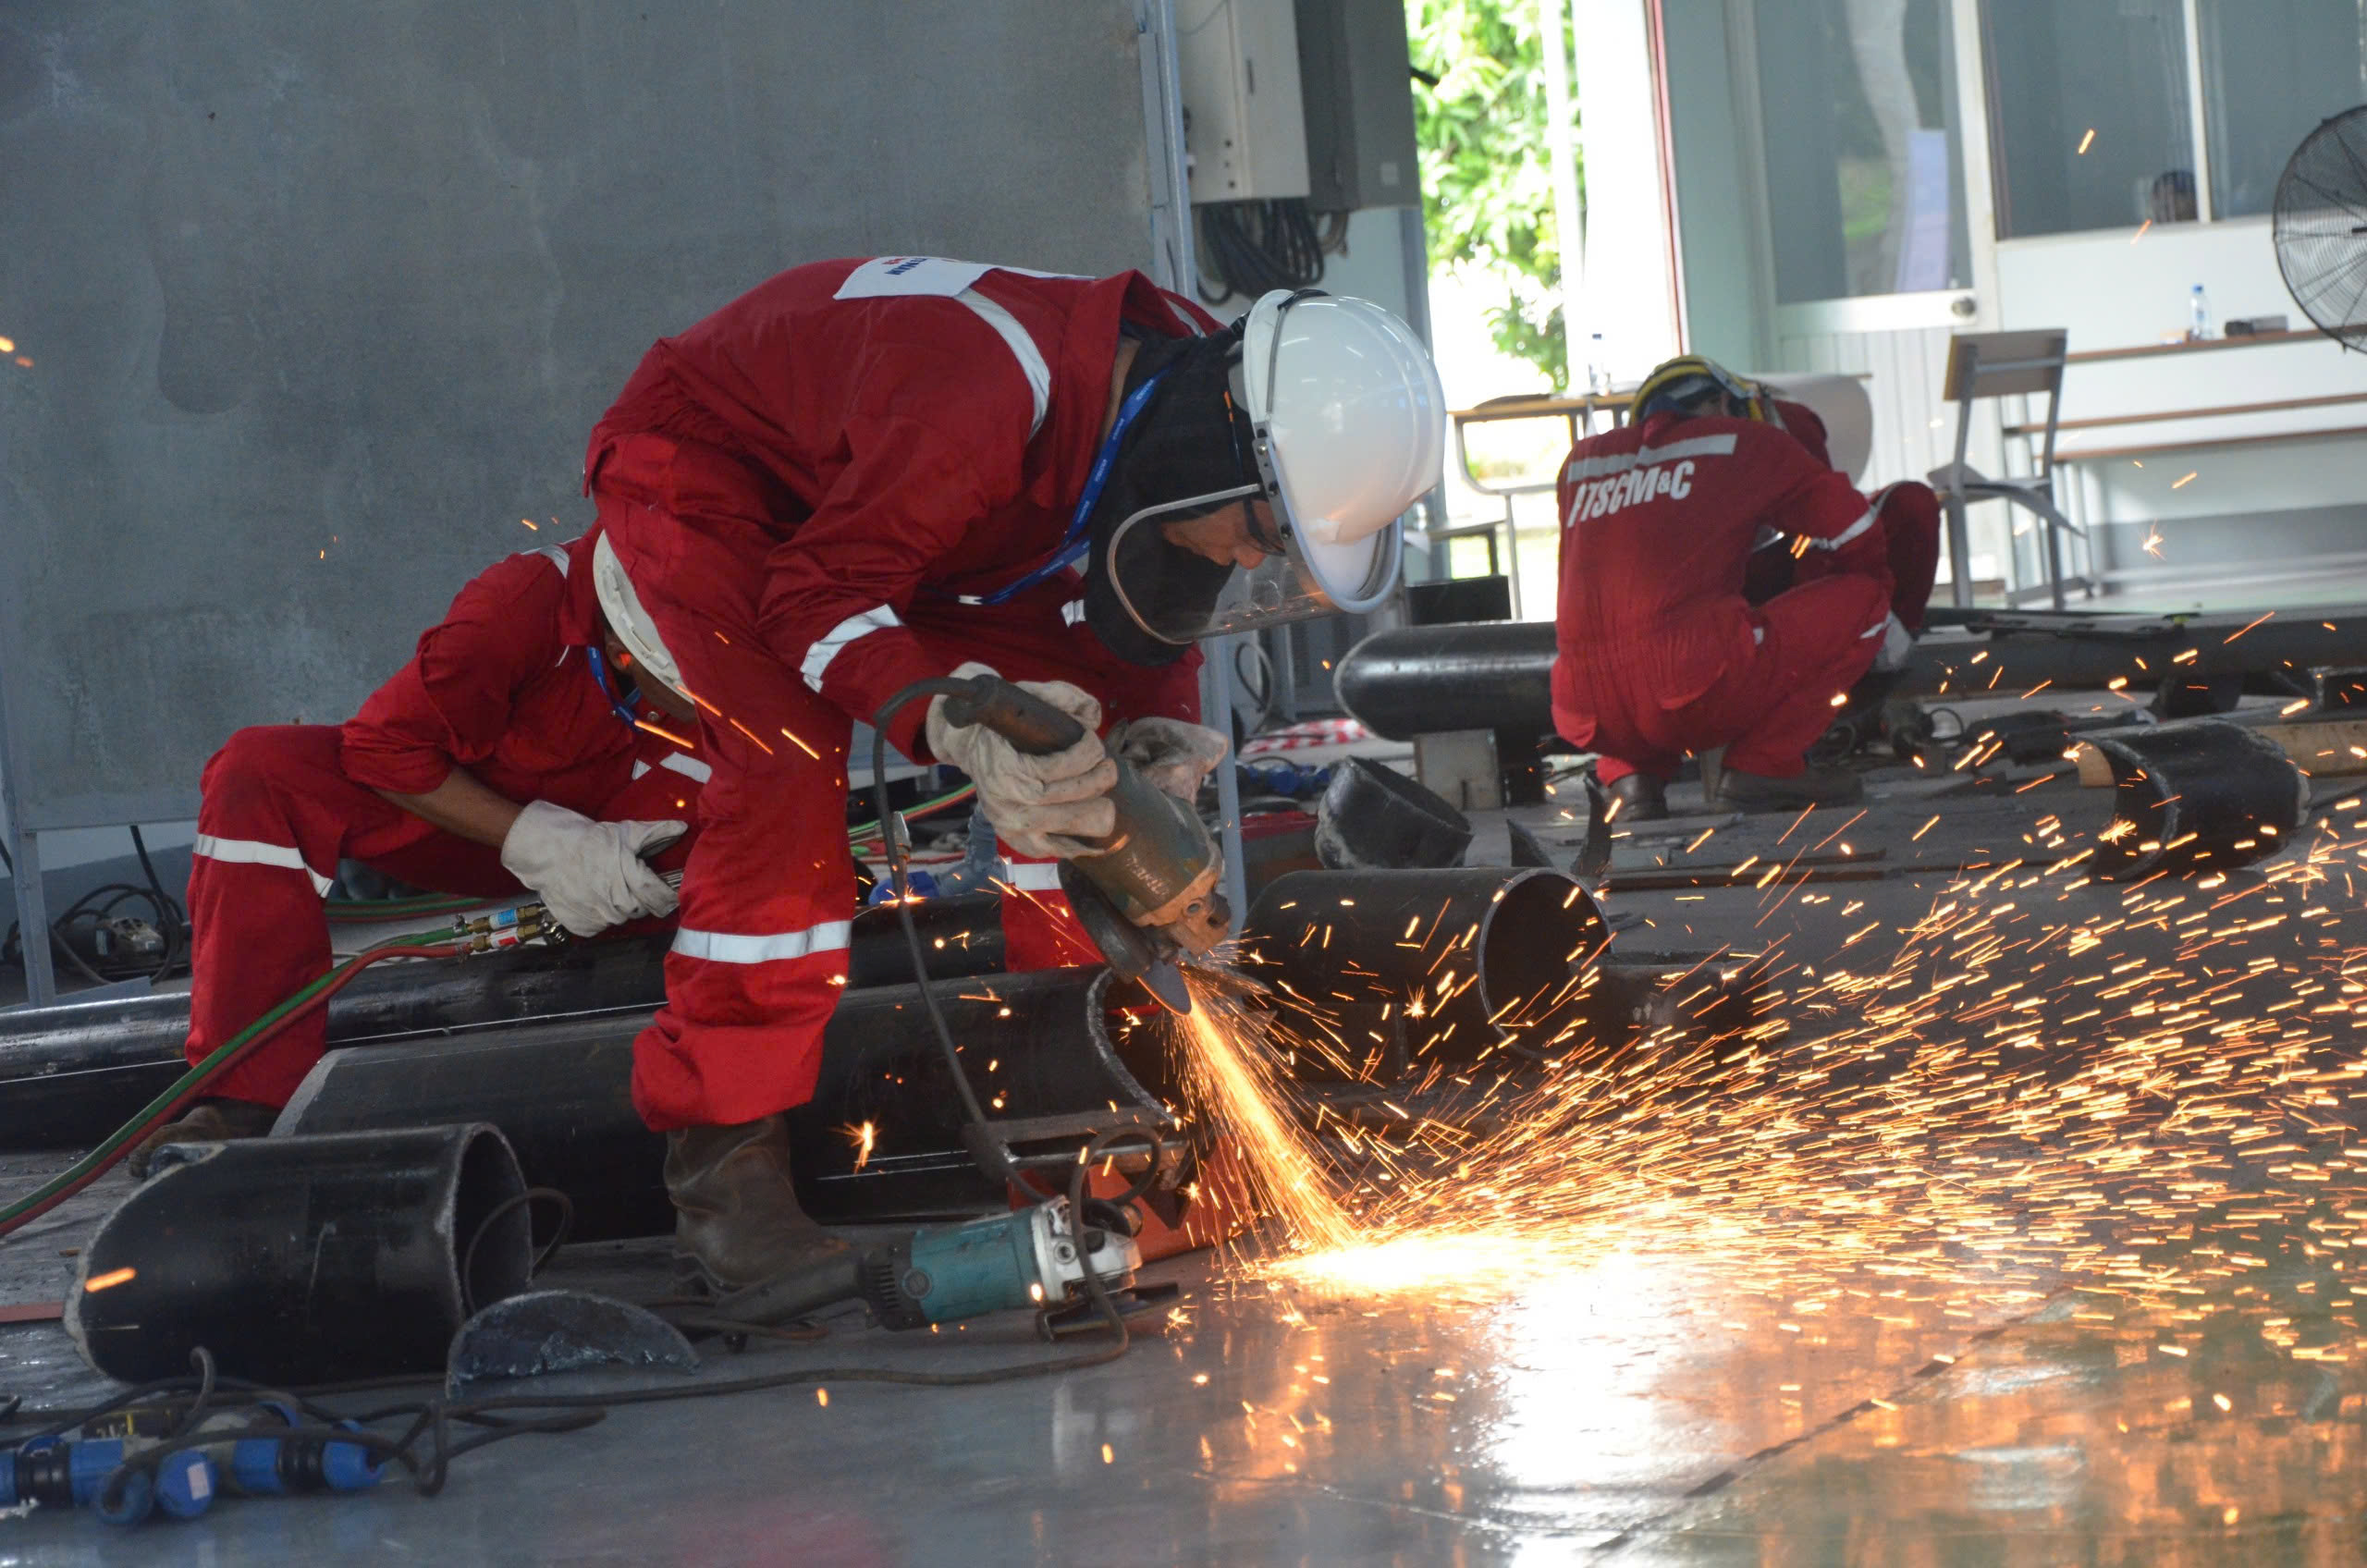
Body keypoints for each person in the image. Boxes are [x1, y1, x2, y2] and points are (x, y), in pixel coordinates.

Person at [583, 256, 1443, 1292]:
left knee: (1078, 769)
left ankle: (1083, 1109)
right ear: (1213, 450)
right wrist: (951, 718)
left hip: (901, 515)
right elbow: (814, 601)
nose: (1250, 560)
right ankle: (727, 1173)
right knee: (787, 780)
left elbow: (1144, 605)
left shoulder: (1194, 384)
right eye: (1262, 532)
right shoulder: (982, 396)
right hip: (712, 479)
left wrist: (1156, 739)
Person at [130, 532, 709, 1173]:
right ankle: (242, 1096)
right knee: (258, 772)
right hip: (461, 820)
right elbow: (382, 749)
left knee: (736, 858)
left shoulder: (735, 604)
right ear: (621, 646)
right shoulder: (522, 605)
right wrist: (542, 845)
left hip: (635, 834)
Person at [1551, 355, 1933, 820]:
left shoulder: (1582, 462)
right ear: (1722, 404)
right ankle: (1764, 766)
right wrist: (1879, 613)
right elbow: (1856, 531)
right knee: (1864, 599)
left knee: (1629, 633)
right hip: (1692, 691)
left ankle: (1632, 781)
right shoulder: (1742, 441)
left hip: (1586, 711)